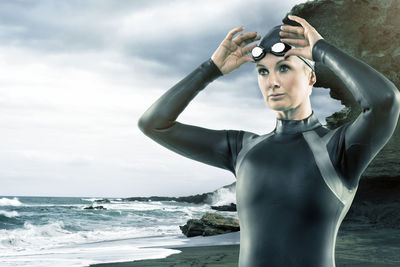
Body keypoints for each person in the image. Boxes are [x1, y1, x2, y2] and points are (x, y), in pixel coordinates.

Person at [138, 14, 400, 267]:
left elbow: (385, 102)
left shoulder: (336, 149)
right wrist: (212, 68)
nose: (272, 81)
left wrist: (320, 50)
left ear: (311, 77)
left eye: (284, 67)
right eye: (263, 72)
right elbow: (153, 124)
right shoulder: (242, 150)